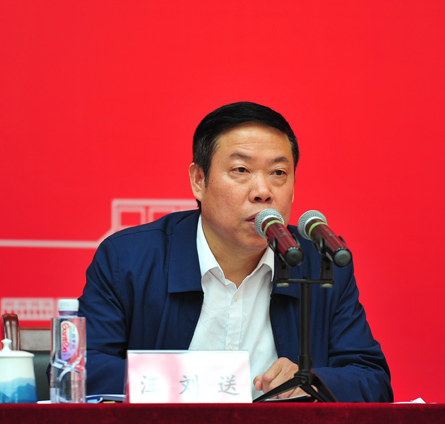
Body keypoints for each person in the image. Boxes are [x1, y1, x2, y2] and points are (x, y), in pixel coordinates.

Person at [78, 101, 393, 402]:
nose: (262, 192)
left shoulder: (319, 261)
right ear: (199, 180)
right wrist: (190, 379)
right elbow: (81, 367)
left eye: (278, 173)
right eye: (241, 170)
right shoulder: (129, 259)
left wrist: (311, 382)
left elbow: (372, 379)